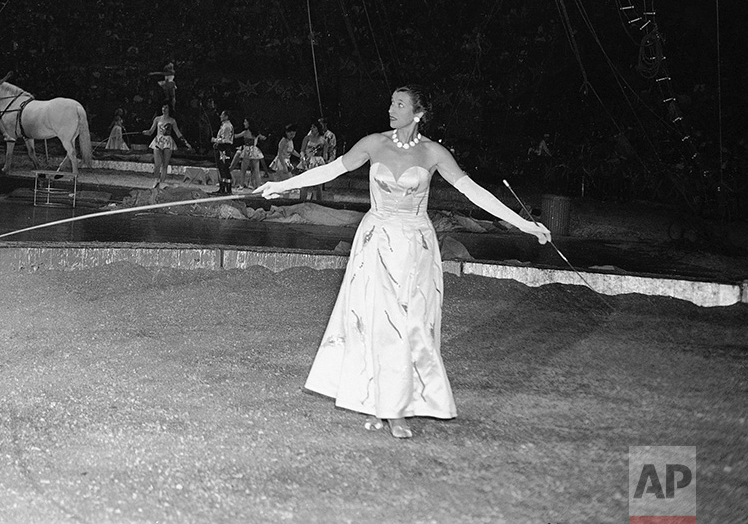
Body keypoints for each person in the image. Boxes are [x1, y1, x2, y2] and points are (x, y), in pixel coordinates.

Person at [258, 85, 551, 440]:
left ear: (418, 113)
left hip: (416, 247)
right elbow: (330, 170)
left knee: (411, 325)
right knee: (378, 323)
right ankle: (384, 407)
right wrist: (281, 186)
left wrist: (523, 224)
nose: (391, 109)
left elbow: (474, 191)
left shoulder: (434, 153)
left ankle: (396, 407)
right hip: (376, 242)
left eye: (399, 104)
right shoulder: (373, 143)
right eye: (391, 103)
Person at [145, 102, 190, 188]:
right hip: (158, 141)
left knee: (165, 164)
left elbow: (177, 132)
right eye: (163, 107)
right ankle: (156, 180)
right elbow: (151, 131)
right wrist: (146, 132)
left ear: (169, 109)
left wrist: (185, 142)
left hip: (168, 142)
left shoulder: (172, 121)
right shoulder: (157, 119)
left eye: (166, 107)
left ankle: (162, 182)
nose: (163, 109)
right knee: (157, 164)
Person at [232, 118, 266, 189]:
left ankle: (241, 185)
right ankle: (258, 185)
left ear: (249, 123)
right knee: (256, 170)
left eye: (245, 122)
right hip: (255, 151)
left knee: (243, 169)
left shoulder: (246, 132)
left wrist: (230, 132)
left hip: (247, 151)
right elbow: (262, 137)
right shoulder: (256, 133)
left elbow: (236, 136)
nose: (244, 123)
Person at [212, 109, 236, 195]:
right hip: (222, 148)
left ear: (226, 116)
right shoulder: (224, 125)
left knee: (224, 167)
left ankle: (226, 189)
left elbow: (226, 140)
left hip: (224, 149)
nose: (220, 116)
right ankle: (223, 188)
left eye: (222, 115)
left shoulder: (227, 126)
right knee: (222, 167)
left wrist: (215, 140)